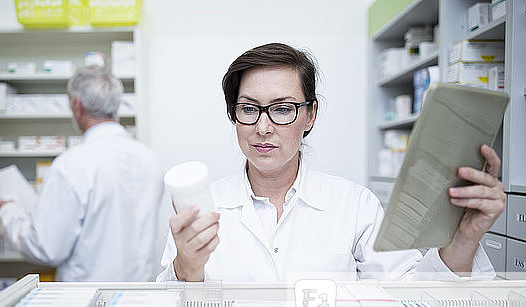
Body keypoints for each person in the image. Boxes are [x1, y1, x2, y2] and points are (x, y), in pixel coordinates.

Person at [157, 43, 504, 282]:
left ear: (310, 115)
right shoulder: (202, 209)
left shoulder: (354, 205)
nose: (263, 127)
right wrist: (186, 266)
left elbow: (410, 297)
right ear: (234, 116)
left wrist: (462, 240)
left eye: (282, 109)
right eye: (249, 109)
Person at [0, 66, 163, 282]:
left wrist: (7, 212)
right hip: (140, 298)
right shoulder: (148, 159)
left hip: (86, 301)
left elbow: (47, 248)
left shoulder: (71, 165)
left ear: (77, 105)